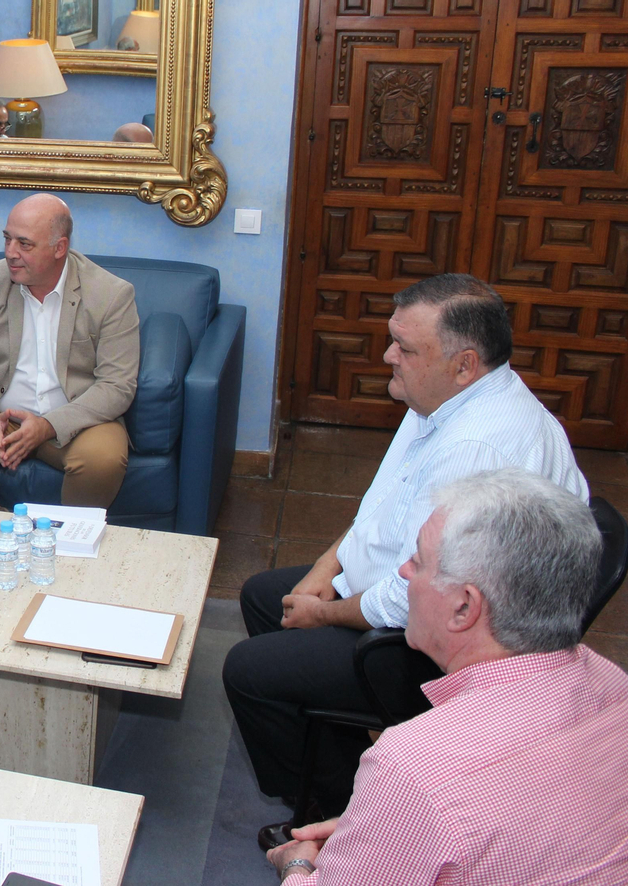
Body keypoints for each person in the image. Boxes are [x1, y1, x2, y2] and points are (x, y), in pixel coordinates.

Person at [222, 273, 588, 844]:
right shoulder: (436, 401)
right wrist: (324, 574)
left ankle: (340, 818)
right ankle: (340, 760)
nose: (387, 356)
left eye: (405, 348)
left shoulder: (476, 446)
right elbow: (379, 511)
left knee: (249, 671)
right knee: (265, 596)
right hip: (417, 588)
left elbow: (405, 598)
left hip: (445, 642)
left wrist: (325, 613)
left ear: (464, 363)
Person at [266, 468, 628, 884]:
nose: (403, 571)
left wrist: (297, 864)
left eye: (419, 561)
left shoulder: (412, 767)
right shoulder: (615, 684)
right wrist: (384, 831)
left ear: (464, 607)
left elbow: (433, 796)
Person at [0, 193, 138, 512]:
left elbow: (117, 386)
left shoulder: (111, 295)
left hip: (73, 423)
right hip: (1, 418)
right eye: (7, 239)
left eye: (24, 244)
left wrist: (47, 426)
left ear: (60, 247)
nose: (10, 253)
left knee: (103, 458)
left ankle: (63, 544)